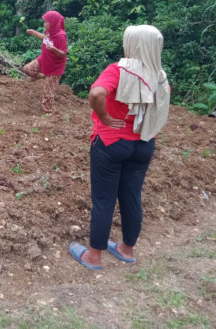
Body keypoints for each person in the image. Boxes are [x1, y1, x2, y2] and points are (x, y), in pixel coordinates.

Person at [69, 25, 170, 270]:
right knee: (132, 197)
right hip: (143, 145)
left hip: (111, 144)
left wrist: (103, 117)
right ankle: (127, 249)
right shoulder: (159, 75)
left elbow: (96, 94)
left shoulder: (119, 70)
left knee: (104, 200)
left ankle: (93, 256)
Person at [23, 10, 68, 114]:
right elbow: (45, 38)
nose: (44, 24)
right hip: (44, 59)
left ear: (53, 22)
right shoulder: (50, 31)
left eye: (46, 22)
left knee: (48, 93)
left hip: (55, 66)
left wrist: (53, 49)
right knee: (27, 69)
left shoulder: (60, 35)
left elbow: (63, 54)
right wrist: (34, 33)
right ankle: (44, 76)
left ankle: (47, 114)